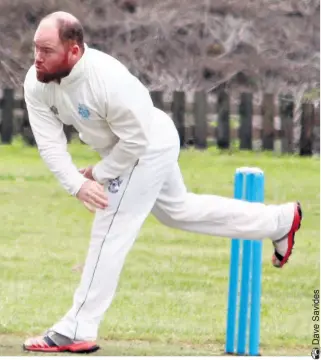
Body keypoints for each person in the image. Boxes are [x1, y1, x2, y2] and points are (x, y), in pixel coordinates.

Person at [22, 11, 302, 354]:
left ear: (75, 51)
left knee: (111, 227)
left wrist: (101, 174)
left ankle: (77, 327)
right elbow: (50, 143)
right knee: (178, 211)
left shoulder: (107, 80)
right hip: (131, 146)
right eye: (36, 48)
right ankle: (279, 221)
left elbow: (136, 144)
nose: (37, 57)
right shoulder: (36, 82)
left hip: (146, 145)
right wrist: (77, 183)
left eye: (47, 50)